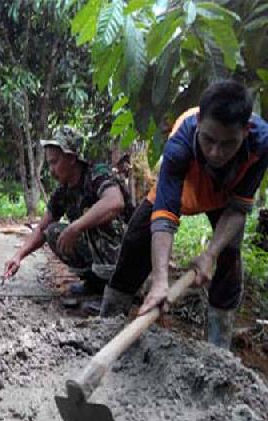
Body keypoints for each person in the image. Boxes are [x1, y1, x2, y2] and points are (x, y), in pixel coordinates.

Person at [100, 80, 268, 350]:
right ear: (200, 121)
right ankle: (106, 327)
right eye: (209, 140)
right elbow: (165, 215)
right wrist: (161, 280)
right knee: (134, 241)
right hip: (182, 190)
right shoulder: (180, 139)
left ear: (246, 131)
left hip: (224, 198)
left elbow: (238, 207)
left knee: (229, 261)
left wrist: (210, 254)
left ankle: (217, 351)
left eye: (228, 144)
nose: (215, 152)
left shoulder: (262, 143)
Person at [3, 126, 129, 313]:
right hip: (102, 251)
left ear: (71, 159)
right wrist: (18, 256)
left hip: (129, 255)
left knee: (96, 218)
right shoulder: (63, 191)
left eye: (55, 162)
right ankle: (96, 284)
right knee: (53, 232)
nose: (51, 170)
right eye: (49, 163)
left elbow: (115, 202)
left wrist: (76, 227)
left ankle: (119, 292)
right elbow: (41, 228)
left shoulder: (97, 174)